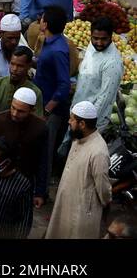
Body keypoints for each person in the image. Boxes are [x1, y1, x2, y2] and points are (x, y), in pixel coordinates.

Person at [44, 100, 112, 238]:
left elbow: (103, 189)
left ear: (82, 124)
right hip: (65, 203)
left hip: (82, 211)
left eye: (72, 119)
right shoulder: (77, 139)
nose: (69, 122)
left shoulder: (98, 151)